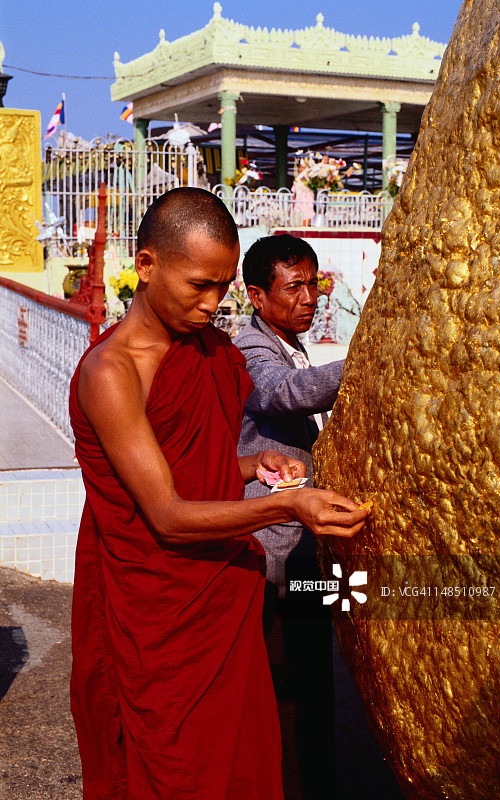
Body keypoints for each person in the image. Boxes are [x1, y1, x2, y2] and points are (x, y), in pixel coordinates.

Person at [69, 189, 370, 800]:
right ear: (147, 266)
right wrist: (288, 503)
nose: (214, 304)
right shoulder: (112, 373)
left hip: (223, 595)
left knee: (241, 763)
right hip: (155, 606)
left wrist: (252, 464)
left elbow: (191, 469)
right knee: (175, 770)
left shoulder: (208, 350)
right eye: (199, 285)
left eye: (224, 286)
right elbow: (167, 514)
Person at [234, 233, 346, 798]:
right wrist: (362, 366)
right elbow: (282, 394)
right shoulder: (254, 348)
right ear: (256, 295)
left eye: (314, 282)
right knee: (286, 687)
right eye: (294, 286)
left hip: (299, 542)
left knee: (309, 679)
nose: (309, 297)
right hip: (272, 553)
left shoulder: (285, 340)